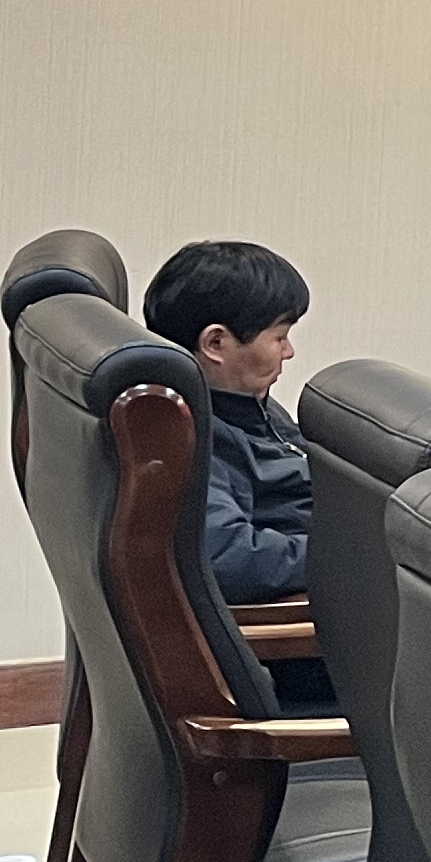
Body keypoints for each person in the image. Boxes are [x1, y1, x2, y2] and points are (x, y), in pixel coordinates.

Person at [143, 241, 314, 605]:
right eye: (279, 337)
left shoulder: (247, 402)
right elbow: (231, 559)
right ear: (216, 343)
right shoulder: (194, 440)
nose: (289, 351)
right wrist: (355, 556)